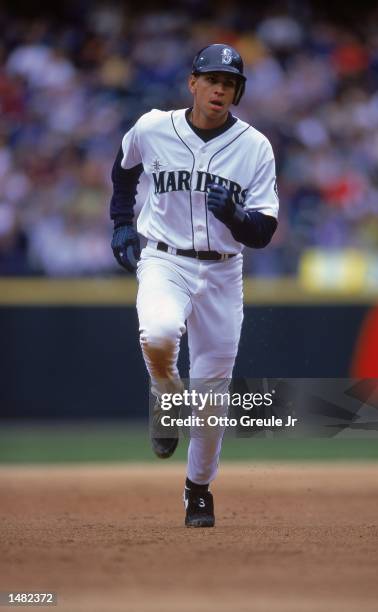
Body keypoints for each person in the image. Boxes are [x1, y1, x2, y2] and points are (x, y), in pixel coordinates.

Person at [110, 44, 279, 527]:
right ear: (193, 83)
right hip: (165, 261)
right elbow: (124, 172)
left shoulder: (255, 147)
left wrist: (237, 216)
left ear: (237, 92)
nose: (220, 89)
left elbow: (263, 232)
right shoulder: (153, 127)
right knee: (159, 334)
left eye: (230, 83)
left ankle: (197, 489)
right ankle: (165, 395)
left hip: (225, 271)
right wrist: (121, 223)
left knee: (210, 395)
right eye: (213, 80)